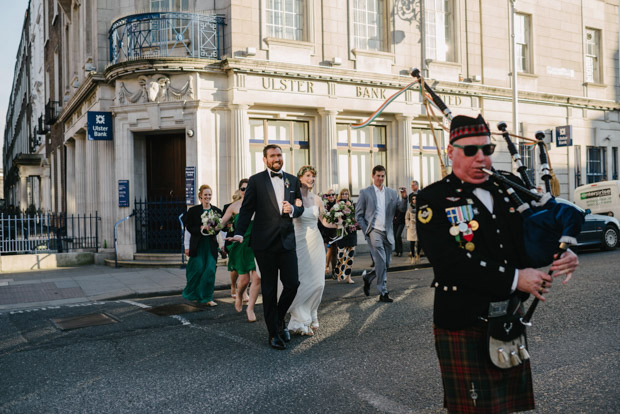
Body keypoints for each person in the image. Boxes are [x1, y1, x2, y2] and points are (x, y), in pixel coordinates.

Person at [416, 114, 579, 413]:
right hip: (463, 320)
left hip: (507, 317)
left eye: (487, 150)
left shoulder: (508, 187)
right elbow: (449, 263)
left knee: (506, 408)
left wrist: (562, 251)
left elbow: (529, 242)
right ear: (451, 151)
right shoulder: (433, 199)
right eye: (470, 151)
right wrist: (516, 279)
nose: (481, 158)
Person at [229, 144, 304, 350]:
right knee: (269, 289)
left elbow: (300, 207)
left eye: (279, 155)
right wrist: (238, 233)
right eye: (272, 156)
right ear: (265, 159)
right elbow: (246, 210)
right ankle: (273, 333)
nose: (276, 158)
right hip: (264, 244)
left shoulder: (292, 180)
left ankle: (279, 319)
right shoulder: (256, 181)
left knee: (292, 284)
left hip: (287, 242)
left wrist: (294, 209)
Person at [287, 166, 338, 336]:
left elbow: (325, 222)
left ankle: (310, 313)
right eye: (308, 175)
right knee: (301, 282)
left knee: (318, 283)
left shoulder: (317, 199)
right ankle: (301, 319)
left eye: (314, 176)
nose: (312, 179)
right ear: (300, 178)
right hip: (299, 242)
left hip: (315, 241)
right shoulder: (293, 197)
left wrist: (341, 222)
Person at [355, 165, 407, 303]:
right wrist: (367, 230)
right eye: (378, 175)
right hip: (374, 232)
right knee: (382, 261)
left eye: (383, 176)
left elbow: (401, 209)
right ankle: (383, 292)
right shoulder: (365, 192)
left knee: (386, 263)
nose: (380, 178)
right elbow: (358, 215)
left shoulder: (391, 192)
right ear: (373, 176)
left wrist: (404, 198)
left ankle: (369, 277)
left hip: (388, 231)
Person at [220, 179, 259, 323]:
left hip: (256, 245)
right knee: (244, 280)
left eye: (248, 189)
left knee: (257, 278)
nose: (246, 192)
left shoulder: (259, 205)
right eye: (243, 189)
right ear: (239, 190)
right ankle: (239, 293)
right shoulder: (234, 206)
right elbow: (222, 222)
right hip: (241, 246)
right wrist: (210, 226)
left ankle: (250, 308)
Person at [182, 184, 223, 307]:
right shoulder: (193, 211)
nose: (207, 197)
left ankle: (207, 297)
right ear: (200, 196)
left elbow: (220, 229)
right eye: (205, 194)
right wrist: (187, 246)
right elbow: (188, 229)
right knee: (197, 268)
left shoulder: (216, 211)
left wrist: (216, 231)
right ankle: (193, 293)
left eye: (209, 194)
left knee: (210, 270)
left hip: (210, 245)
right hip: (197, 245)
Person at [223, 187, 244, 300]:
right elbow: (222, 223)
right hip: (234, 239)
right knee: (235, 268)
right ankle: (233, 286)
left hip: (249, 239)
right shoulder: (230, 207)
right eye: (243, 188)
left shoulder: (254, 203)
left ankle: (244, 292)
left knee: (247, 267)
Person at [334, 188, 357, 284]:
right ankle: (339, 274)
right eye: (343, 194)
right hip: (341, 232)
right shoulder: (337, 205)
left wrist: (353, 222)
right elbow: (334, 218)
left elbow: (356, 217)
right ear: (340, 195)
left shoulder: (352, 204)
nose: (345, 195)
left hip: (351, 232)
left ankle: (348, 277)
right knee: (341, 255)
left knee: (350, 256)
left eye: (346, 194)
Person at [319, 189, 338, 278]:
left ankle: (333, 270)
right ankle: (323, 269)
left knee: (334, 251)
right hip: (324, 230)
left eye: (333, 195)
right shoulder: (324, 205)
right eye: (329, 195)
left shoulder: (338, 205)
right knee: (324, 251)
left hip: (333, 231)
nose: (331, 196)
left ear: (335, 196)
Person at [404, 193, 420, 264]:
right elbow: (406, 218)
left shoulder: (420, 207)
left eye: (415, 199)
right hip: (412, 227)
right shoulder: (409, 209)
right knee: (412, 242)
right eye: (413, 199)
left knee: (419, 242)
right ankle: (413, 257)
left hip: (418, 227)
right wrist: (408, 225)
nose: (414, 200)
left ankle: (418, 255)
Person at [393, 190, 407, 257]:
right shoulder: (391, 204)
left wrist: (404, 198)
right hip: (394, 222)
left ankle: (400, 251)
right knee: (395, 236)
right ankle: (397, 251)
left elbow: (402, 208)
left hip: (401, 222)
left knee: (398, 236)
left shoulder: (400, 203)